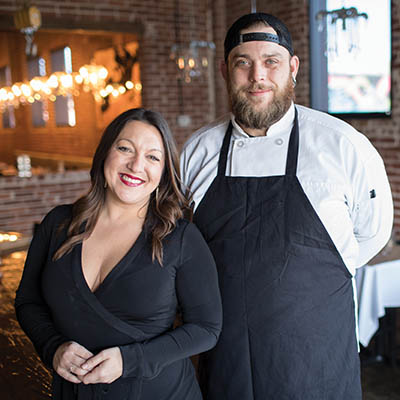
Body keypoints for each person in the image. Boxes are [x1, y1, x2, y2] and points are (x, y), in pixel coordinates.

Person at [180, 12, 393, 400]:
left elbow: (373, 233)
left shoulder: (343, 146)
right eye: (243, 63)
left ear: (292, 68)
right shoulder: (197, 152)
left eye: (271, 62)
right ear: (225, 72)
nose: (257, 76)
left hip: (316, 361)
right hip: (225, 364)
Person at [15, 108, 222, 400]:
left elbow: (207, 327)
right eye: (125, 148)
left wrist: (130, 361)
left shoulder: (181, 238)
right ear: (105, 154)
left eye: (153, 157)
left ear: (163, 172)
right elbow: (28, 301)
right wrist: (52, 347)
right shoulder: (58, 224)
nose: (136, 165)